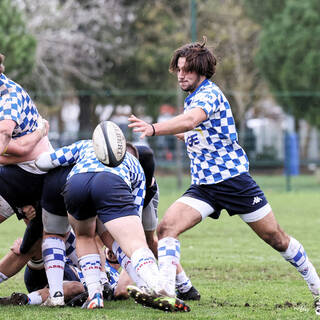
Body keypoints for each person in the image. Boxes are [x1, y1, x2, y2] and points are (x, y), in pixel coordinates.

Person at [128, 38, 320, 315]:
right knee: (167, 228)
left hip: (233, 181)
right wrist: (183, 134)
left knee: (276, 238)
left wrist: (154, 128)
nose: (181, 75)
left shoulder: (207, 95)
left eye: (187, 70)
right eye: (179, 69)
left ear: (201, 72)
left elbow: (191, 120)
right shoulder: (194, 97)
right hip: (205, 187)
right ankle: (166, 291)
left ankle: (317, 289)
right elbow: (197, 130)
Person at [36, 137, 190, 312]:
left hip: (75, 183)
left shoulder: (87, 145)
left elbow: (44, 162)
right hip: (110, 182)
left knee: (84, 237)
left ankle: (94, 295)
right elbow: (135, 213)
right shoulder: (135, 165)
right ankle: (157, 285)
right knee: (135, 243)